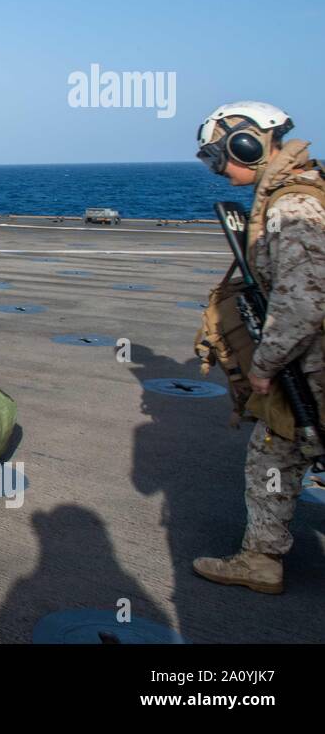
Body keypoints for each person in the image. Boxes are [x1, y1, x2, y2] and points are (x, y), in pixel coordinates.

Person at [192, 101, 325, 594]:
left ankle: (261, 560)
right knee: (279, 456)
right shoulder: (300, 191)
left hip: (309, 365)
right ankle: (261, 558)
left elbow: (304, 302)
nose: (218, 168)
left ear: (246, 142)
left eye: (216, 156)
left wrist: (266, 366)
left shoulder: (292, 206)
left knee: (272, 454)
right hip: (309, 361)